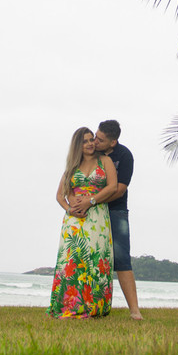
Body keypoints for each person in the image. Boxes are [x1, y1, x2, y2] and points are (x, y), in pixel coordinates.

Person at [71, 119, 142, 320]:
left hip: (115, 211)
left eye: (100, 140)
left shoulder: (124, 156)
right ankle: (85, 306)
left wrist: (93, 202)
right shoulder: (91, 152)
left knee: (121, 259)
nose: (95, 141)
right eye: (95, 136)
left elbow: (119, 189)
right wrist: (76, 203)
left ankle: (134, 310)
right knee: (87, 258)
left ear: (112, 142)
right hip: (89, 213)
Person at [48, 127, 118, 318]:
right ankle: (69, 304)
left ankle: (94, 305)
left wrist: (91, 200)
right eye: (85, 141)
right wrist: (70, 209)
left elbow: (112, 186)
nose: (89, 144)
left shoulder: (105, 161)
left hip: (97, 217)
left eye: (91, 140)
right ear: (78, 145)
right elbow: (59, 196)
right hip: (74, 221)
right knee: (72, 261)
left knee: (95, 258)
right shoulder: (72, 166)